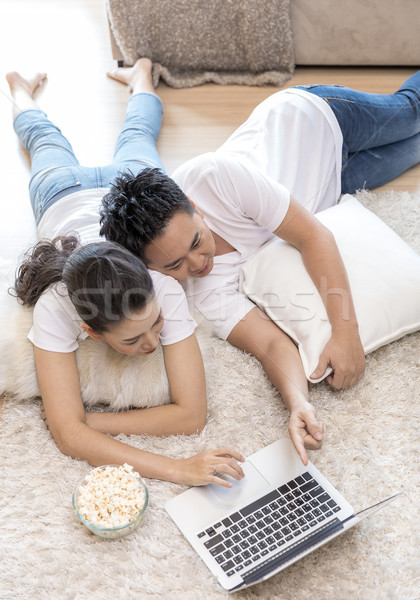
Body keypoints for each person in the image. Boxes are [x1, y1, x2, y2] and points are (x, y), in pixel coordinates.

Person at [99, 71, 420, 460]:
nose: (199, 263)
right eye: (174, 265)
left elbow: (313, 237)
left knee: (411, 113)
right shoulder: (199, 294)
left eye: (197, 242)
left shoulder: (215, 176)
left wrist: (345, 332)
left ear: (195, 207)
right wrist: (299, 402)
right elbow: (269, 343)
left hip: (314, 120)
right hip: (332, 184)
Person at [6, 61, 245, 488]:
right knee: (43, 139)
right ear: (91, 332)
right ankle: (19, 88)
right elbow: (67, 437)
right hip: (59, 194)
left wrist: (86, 424)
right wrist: (177, 468)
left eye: (155, 325)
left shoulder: (162, 287)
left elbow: (191, 416)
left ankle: (140, 77)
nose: (155, 344)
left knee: (137, 135)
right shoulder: (56, 308)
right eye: (132, 340)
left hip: (118, 189)